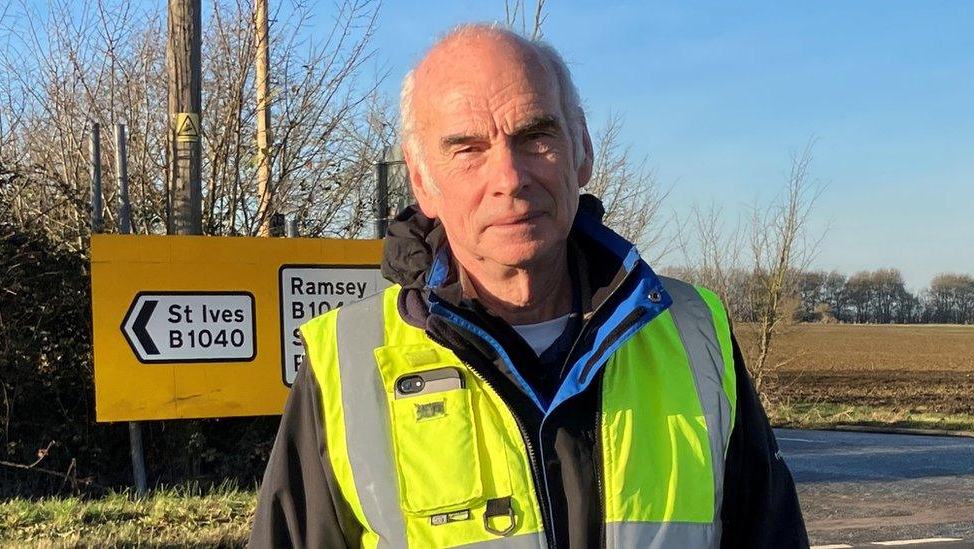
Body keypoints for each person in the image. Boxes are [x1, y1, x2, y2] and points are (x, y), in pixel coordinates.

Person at [249, 24, 808, 549]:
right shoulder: (345, 363)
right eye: (466, 148)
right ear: (423, 182)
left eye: (535, 135)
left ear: (582, 149)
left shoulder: (693, 332)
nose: (509, 178)